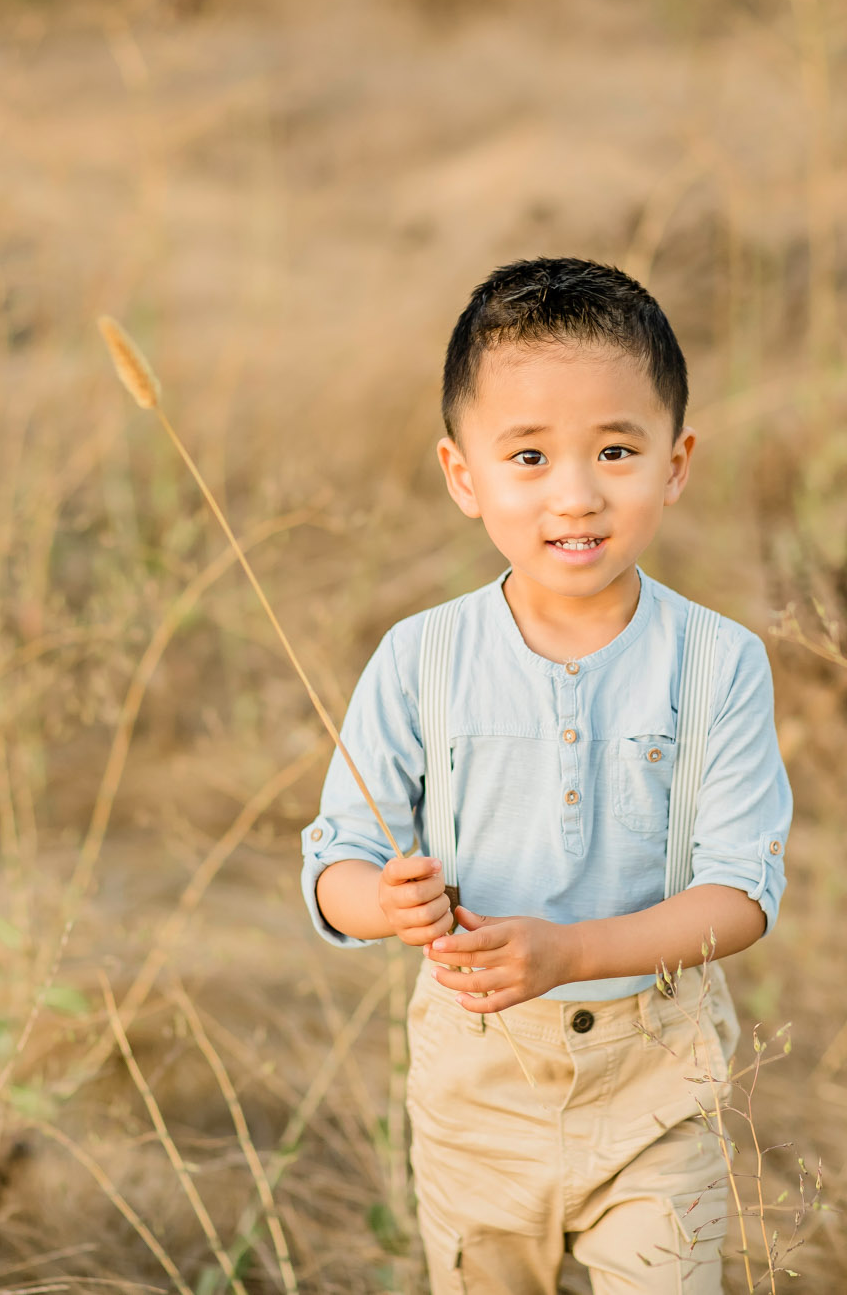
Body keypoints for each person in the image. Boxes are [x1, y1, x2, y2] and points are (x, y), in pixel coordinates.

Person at [298, 256, 793, 1294]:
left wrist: (572, 950)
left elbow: (739, 894)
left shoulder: (716, 661)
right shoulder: (419, 658)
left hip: (657, 1086)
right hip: (478, 1094)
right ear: (461, 473)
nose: (574, 494)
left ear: (675, 460)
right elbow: (335, 865)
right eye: (526, 455)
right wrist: (385, 902)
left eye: (615, 448)